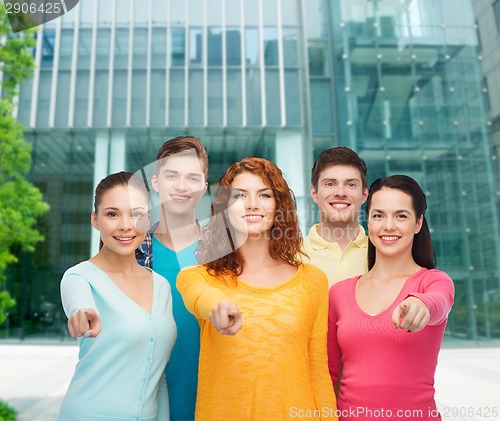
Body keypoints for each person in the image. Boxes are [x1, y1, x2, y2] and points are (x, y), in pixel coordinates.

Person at [177, 157, 337, 421]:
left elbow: (317, 370)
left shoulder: (313, 281)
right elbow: (201, 298)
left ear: (279, 206)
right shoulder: (200, 279)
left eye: (264, 195)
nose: (252, 204)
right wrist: (218, 306)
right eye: (240, 196)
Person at [327, 175, 455, 421]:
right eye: (378, 215)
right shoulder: (339, 293)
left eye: (401, 216)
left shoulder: (432, 282)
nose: (388, 226)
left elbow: (439, 302)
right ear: (368, 222)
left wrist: (421, 304)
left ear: (418, 223)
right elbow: (329, 373)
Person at [59, 171, 176, 421]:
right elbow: (80, 306)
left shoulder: (162, 286)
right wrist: (83, 315)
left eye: (136, 214)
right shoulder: (78, 278)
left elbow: (158, 376)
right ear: (95, 219)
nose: (125, 225)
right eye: (112, 214)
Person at [135, 136, 209, 421]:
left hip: (214, 402)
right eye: (171, 176)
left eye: (192, 177)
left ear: (204, 186)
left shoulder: (225, 254)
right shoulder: (132, 249)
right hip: (147, 406)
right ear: (156, 182)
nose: (181, 186)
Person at [303, 147, 369, 287]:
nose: (340, 192)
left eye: (351, 184)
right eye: (330, 184)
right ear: (314, 193)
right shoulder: (291, 256)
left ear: (364, 195)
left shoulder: (382, 253)